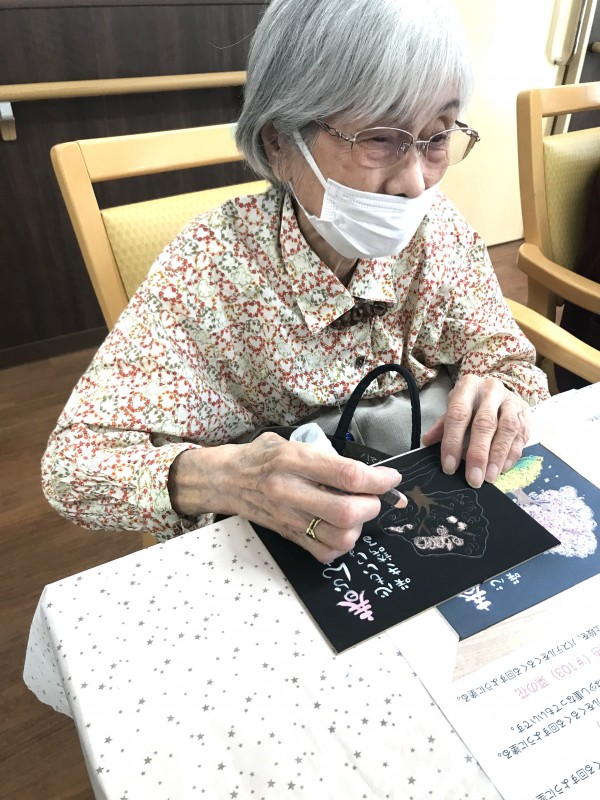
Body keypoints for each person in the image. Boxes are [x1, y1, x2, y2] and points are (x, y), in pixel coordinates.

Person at [42, 0, 549, 562]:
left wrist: (501, 394)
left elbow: (505, 360)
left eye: (437, 136)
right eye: (379, 138)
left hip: (427, 511)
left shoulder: (438, 228)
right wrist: (224, 479)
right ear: (279, 143)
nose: (414, 183)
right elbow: (74, 467)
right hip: (285, 546)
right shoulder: (211, 267)